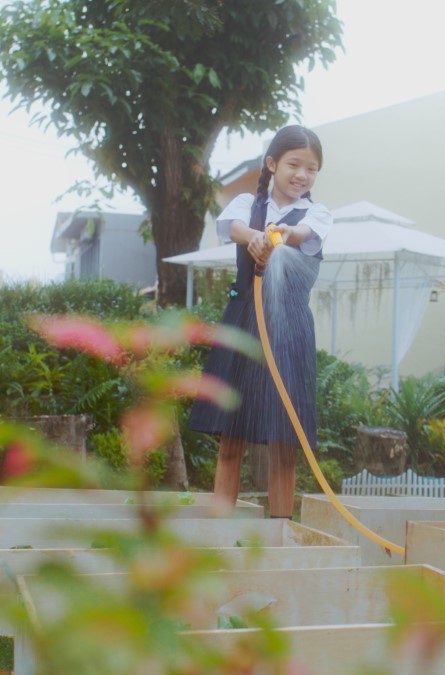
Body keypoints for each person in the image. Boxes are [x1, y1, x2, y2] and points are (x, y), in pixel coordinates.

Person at [188, 125, 331, 518]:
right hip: (242, 323)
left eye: (312, 169)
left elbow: (304, 234)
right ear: (271, 164)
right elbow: (231, 227)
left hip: (288, 330)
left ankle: (282, 532)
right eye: (294, 164)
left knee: (285, 439)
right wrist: (256, 235)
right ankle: (219, 531)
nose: (302, 174)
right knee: (231, 435)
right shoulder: (246, 204)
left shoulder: (317, 214)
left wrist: (283, 235)